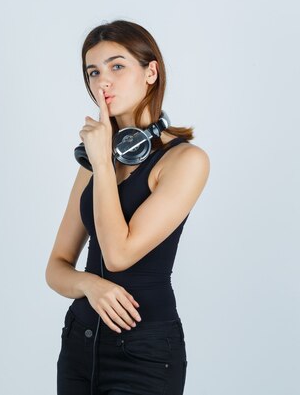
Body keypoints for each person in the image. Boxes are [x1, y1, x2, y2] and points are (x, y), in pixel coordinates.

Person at [45, 20, 210, 395]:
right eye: (93, 71)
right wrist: (89, 285)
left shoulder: (185, 161)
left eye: (117, 66)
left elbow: (119, 254)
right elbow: (56, 267)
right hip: (79, 345)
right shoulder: (96, 159)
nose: (104, 81)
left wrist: (102, 162)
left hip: (145, 354)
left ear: (151, 72)